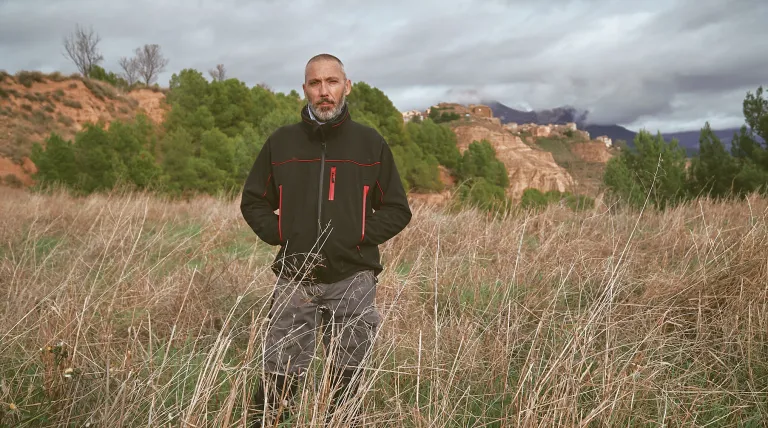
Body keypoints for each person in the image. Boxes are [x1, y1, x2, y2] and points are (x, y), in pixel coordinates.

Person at [240, 53, 412, 427]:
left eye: (332, 82)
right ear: (304, 89)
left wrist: (360, 236)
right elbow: (253, 201)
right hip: (295, 279)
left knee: (348, 379)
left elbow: (398, 209)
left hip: (353, 278)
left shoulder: (370, 143)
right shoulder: (281, 143)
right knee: (279, 376)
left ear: (346, 86)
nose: (324, 92)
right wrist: (281, 234)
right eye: (315, 83)